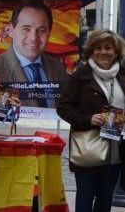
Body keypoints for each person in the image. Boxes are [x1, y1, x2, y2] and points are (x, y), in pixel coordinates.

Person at [57, 29, 125, 212]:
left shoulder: (122, 76)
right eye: (98, 48)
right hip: (87, 150)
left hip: (115, 152)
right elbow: (63, 107)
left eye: (108, 48)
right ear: (91, 51)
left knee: (105, 201)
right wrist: (88, 119)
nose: (103, 52)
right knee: (85, 200)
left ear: (116, 52)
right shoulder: (80, 76)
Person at [0, 0, 67, 107]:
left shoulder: (58, 68)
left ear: (49, 33)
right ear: (11, 30)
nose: (33, 38)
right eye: (26, 29)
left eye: (41, 30)